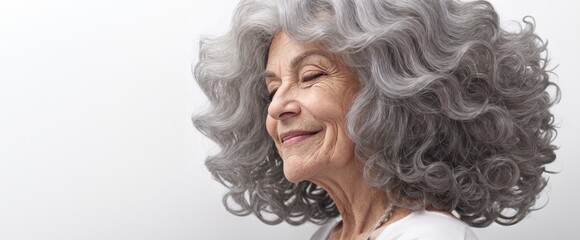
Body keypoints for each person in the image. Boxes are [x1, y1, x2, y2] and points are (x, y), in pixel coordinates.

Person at [193, 0, 560, 239]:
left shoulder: (430, 236)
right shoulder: (330, 234)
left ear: (390, 92)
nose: (276, 108)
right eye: (273, 90)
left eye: (310, 76)